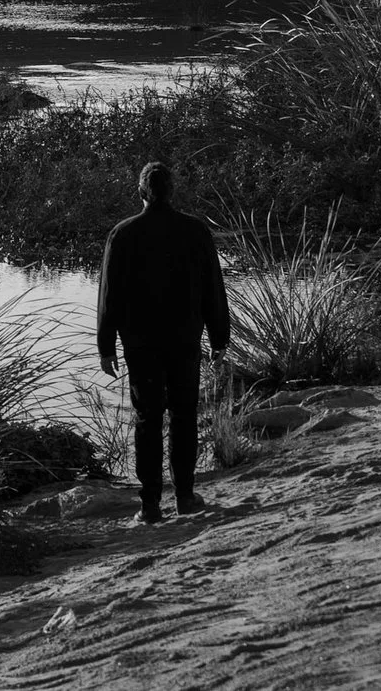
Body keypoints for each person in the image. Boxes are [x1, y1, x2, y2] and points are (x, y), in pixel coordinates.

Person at [96, 160, 230, 524]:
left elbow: (109, 296)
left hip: (141, 344)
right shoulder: (195, 231)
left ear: (141, 192)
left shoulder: (122, 234)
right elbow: (212, 289)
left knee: (147, 419)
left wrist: (106, 346)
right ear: (171, 191)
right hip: (184, 338)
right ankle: (185, 496)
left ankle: (151, 504)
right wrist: (220, 335)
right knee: (184, 417)